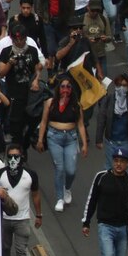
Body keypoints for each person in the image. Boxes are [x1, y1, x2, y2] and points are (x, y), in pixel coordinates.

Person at [37, 77, 88, 212]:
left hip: (71, 137)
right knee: (59, 169)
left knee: (71, 170)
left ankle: (67, 188)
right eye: (63, 86)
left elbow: (81, 125)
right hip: (54, 137)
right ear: (58, 88)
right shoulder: (50, 103)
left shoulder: (76, 105)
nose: (65, 89)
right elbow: (43, 122)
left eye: (68, 87)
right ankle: (59, 198)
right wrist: (40, 140)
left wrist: (84, 144)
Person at [0, 144, 42, 256]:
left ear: (21, 157)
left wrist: (39, 215)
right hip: (3, 218)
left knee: (21, 250)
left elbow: (35, 195)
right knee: (5, 247)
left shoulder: (31, 175)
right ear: (6, 157)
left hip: (22, 219)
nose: (13, 159)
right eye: (10, 156)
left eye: (16, 156)